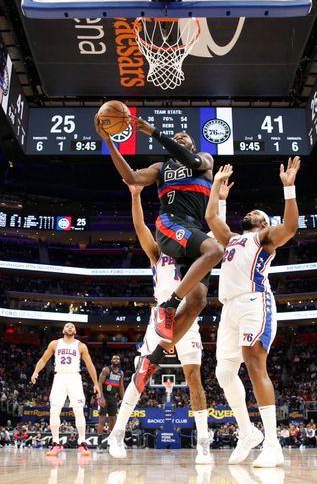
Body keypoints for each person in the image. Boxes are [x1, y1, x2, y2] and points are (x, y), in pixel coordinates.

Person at [95, 116, 224, 391]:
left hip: (193, 230)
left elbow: (190, 160)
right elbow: (130, 177)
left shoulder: (204, 160)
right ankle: (169, 304)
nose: (179, 138)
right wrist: (109, 141)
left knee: (199, 301)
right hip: (171, 224)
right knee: (215, 251)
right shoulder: (160, 167)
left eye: (183, 137)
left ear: (192, 144)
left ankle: (152, 360)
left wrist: (154, 131)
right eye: (175, 137)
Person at [107, 180, 231, 463]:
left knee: (194, 378)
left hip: (187, 317)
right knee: (143, 371)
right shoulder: (158, 252)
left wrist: (220, 199)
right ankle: (117, 433)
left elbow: (219, 232)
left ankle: (203, 441)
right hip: (160, 318)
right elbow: (140, 227)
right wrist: (136, 195)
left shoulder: (194, 247)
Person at [205, 158, 301, 468]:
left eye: (256, 213)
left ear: (264, 223)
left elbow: (289, 227)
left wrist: (289, 188)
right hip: (229, 308)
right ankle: (247, 432)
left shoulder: (263, 238)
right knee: (223, 373)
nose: (250, 213)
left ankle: (273, 445)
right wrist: (218, 192)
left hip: (254, 302)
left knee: (255, 366)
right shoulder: (232, 239)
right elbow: (211, 219)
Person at [31, 322, 101, 457]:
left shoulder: (81, 346)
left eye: (72, 326)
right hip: (59, 378)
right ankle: (56, 443)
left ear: (75, 331)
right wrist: (36, 371)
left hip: (75, 378)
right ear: (63, 330)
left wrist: (96, 383)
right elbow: (44, 359)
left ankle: (82, 443)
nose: (69, 327)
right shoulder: (55, 344)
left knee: (79, 411)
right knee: (54, 410)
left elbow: (90, 364)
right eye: (67, 326)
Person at [96, 354, 125, 447]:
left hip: (113, 398)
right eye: (114, 358)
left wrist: (123, 399)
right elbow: (99, 383)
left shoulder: (121, 373)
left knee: (113, 420)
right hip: (104, 396)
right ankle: (99, 444)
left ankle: (111, 442)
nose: (116, 360)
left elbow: (121, 387)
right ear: (111, 360)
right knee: (102, 420)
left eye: (118, 358)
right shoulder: (106, 370)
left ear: (119, 361)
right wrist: (101, 397)